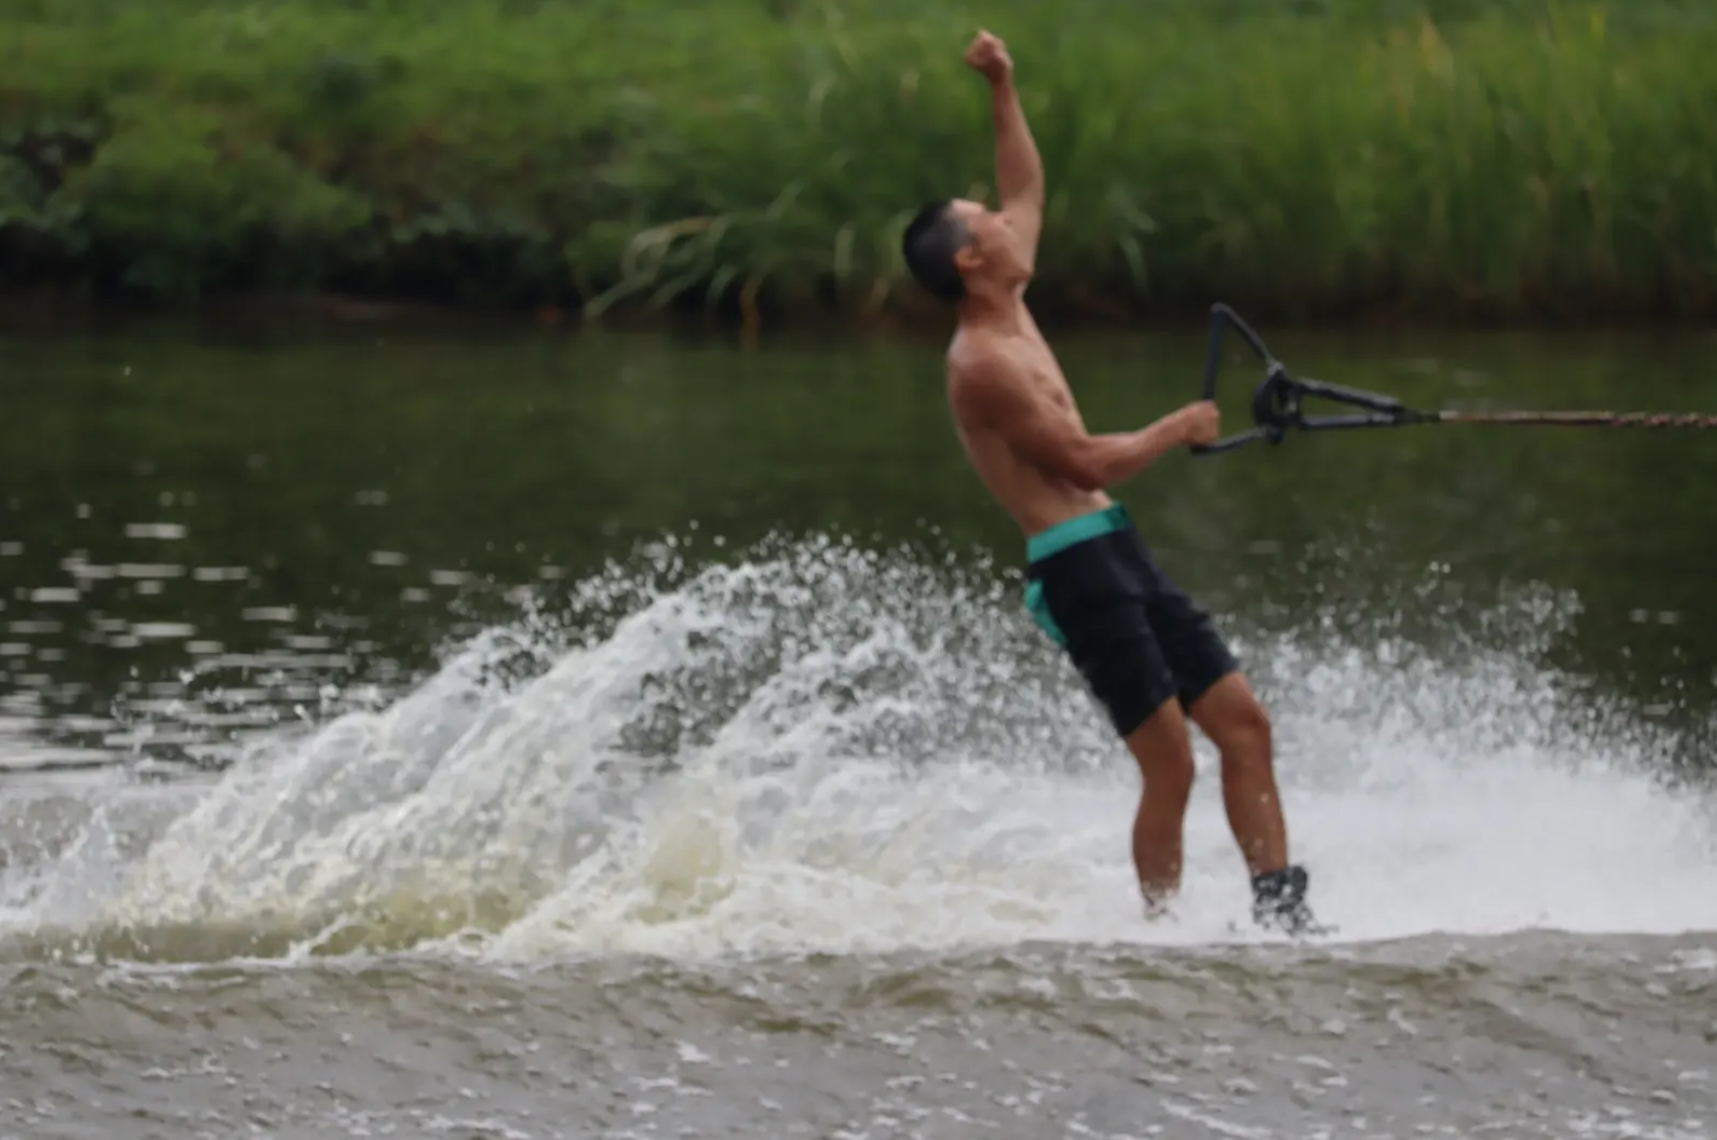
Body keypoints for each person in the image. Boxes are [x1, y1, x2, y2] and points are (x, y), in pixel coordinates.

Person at [900, 29, 1321, 936]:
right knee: (1170, 764)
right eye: (989, 226)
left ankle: (1283, 919)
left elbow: (1024, 183)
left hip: (1118, 545)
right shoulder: (980, 364)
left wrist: (1003, 84)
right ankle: (1159, 937)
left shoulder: (1010, 301)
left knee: (1242, 724)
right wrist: (1176, 427)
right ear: (969, 260)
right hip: (1075, 568)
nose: (1010, 223)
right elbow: (1081, 461)